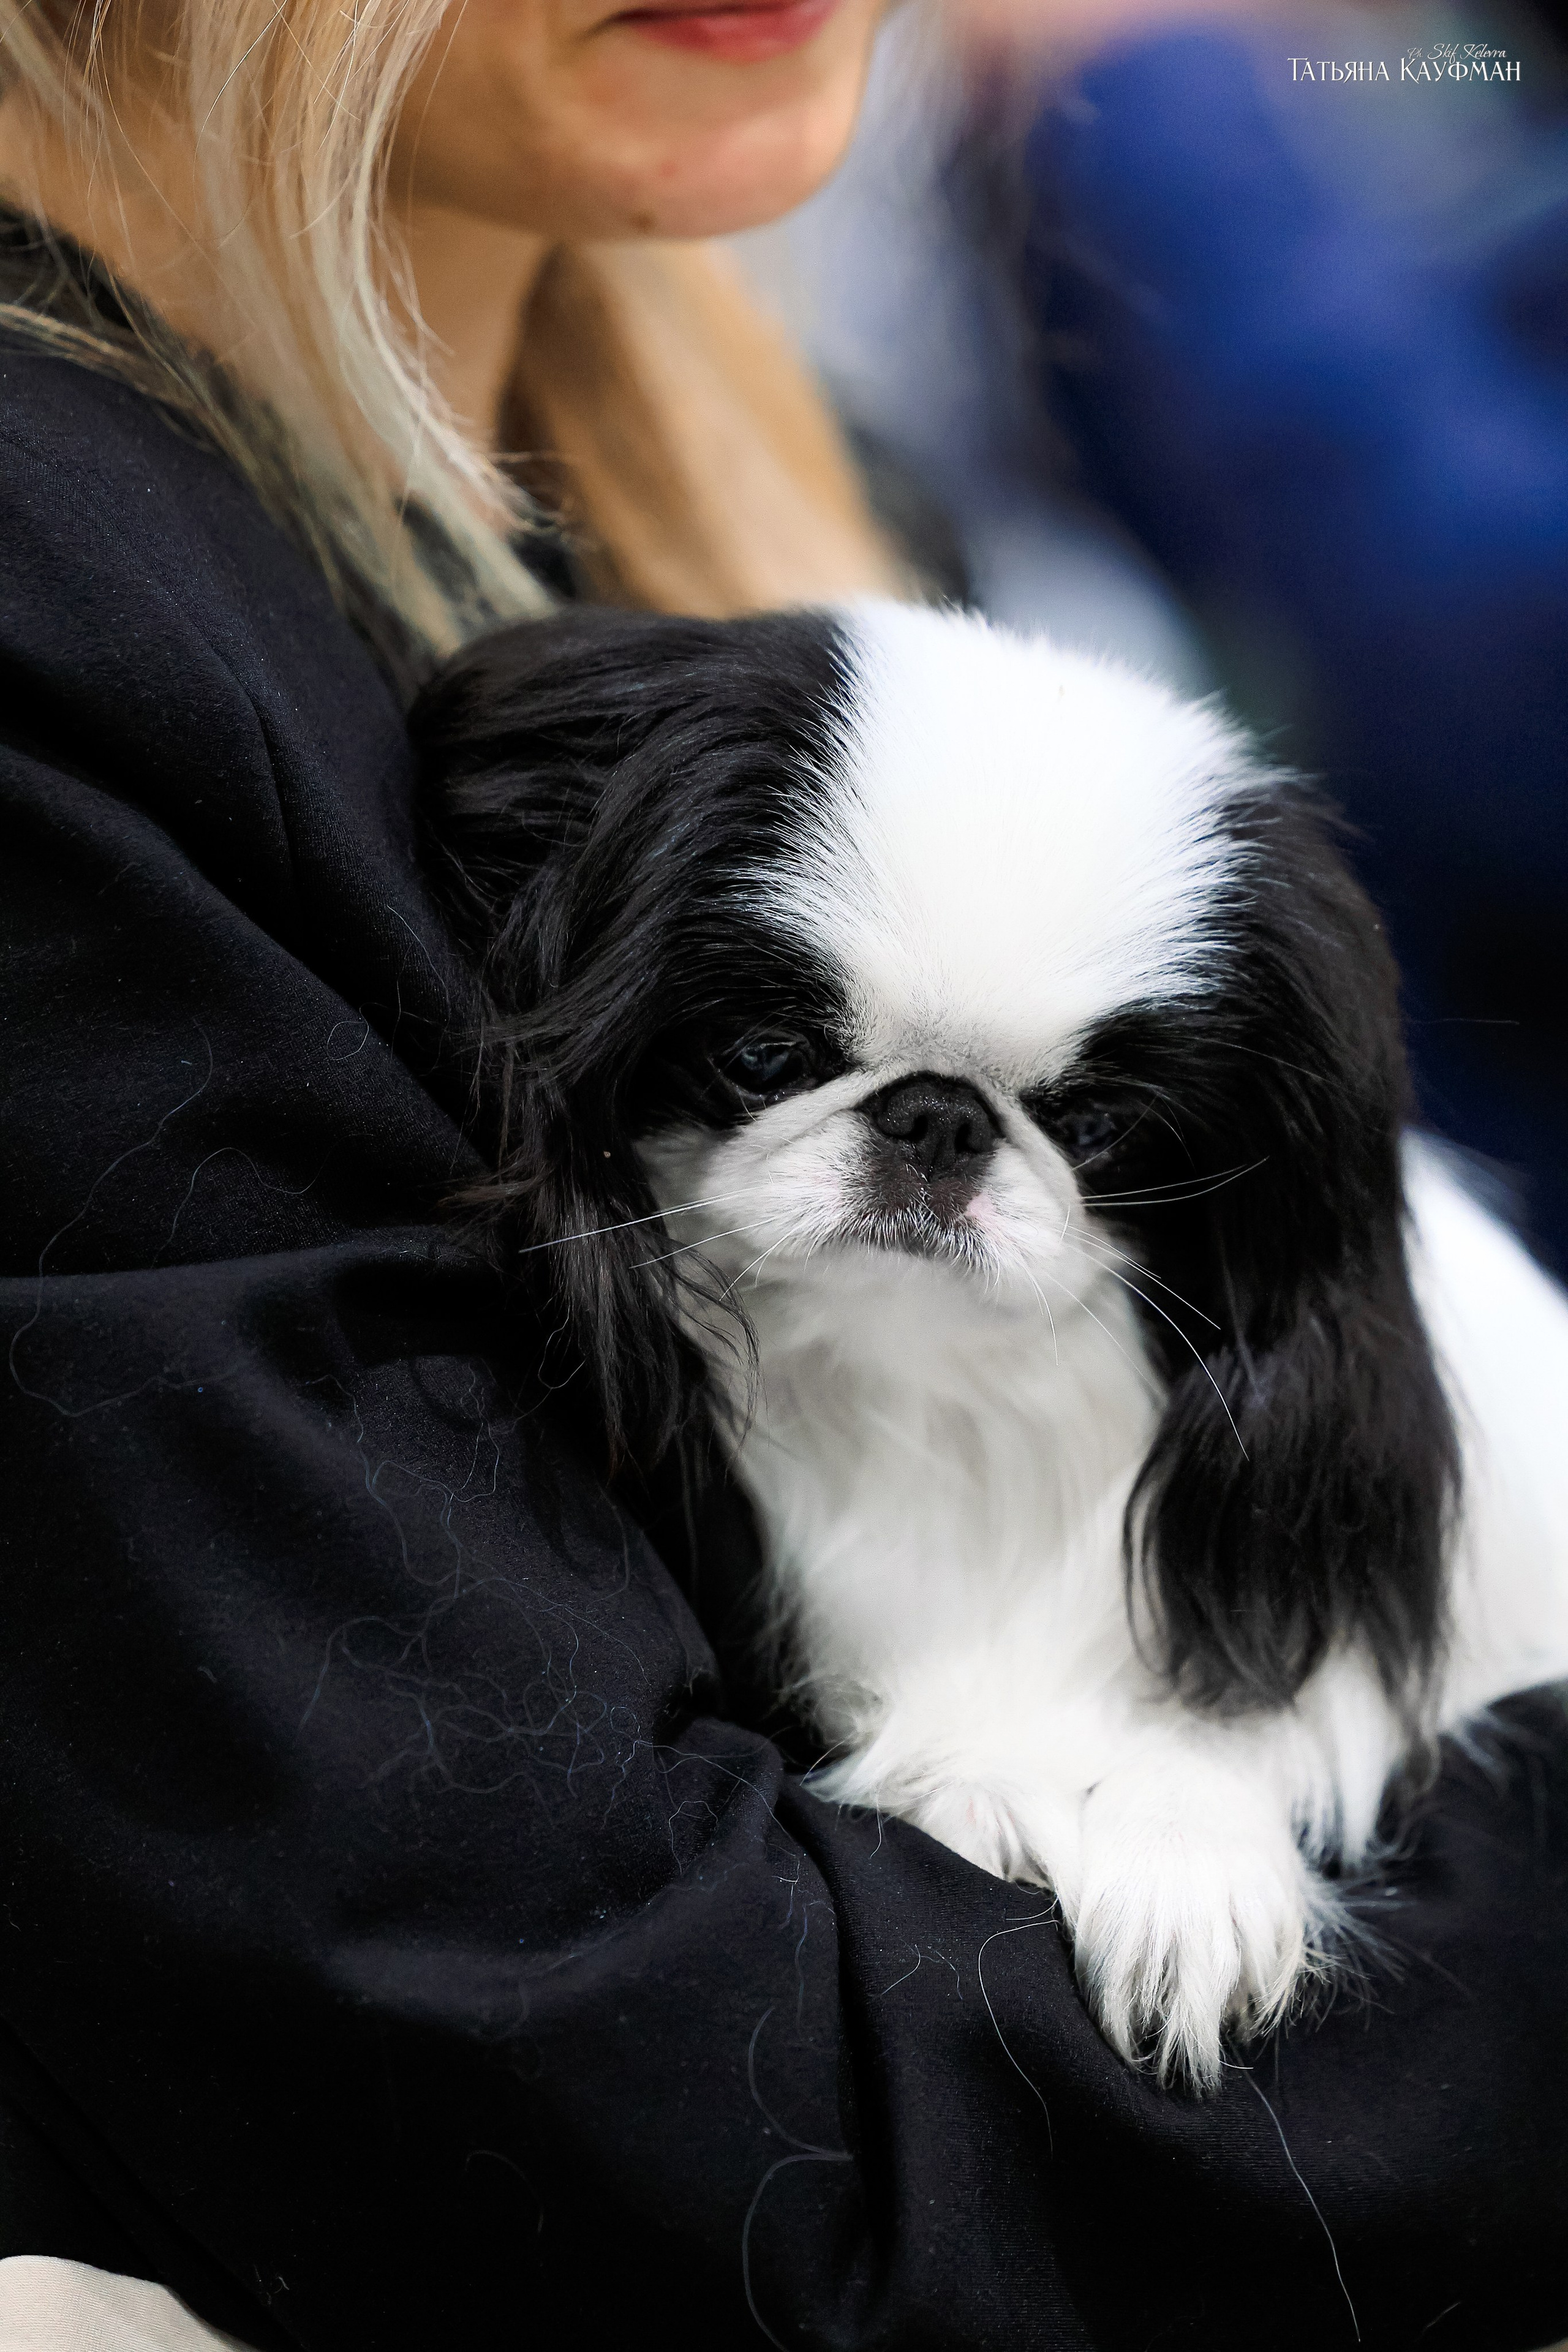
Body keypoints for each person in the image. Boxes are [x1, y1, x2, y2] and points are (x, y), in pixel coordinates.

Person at [1, 5, 1565, 2348]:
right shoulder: (69, 629)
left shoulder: (803, 496)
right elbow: (635, 2110)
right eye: (764, 1054)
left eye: (1094, 1129)